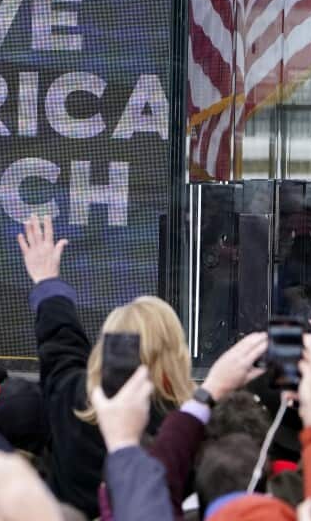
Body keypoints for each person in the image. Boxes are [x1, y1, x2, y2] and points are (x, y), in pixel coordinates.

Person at [21, 214, 195, 518]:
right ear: (175, 353)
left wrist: (47, 281)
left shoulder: (72, 399)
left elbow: (60, 344)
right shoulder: (185, 429)